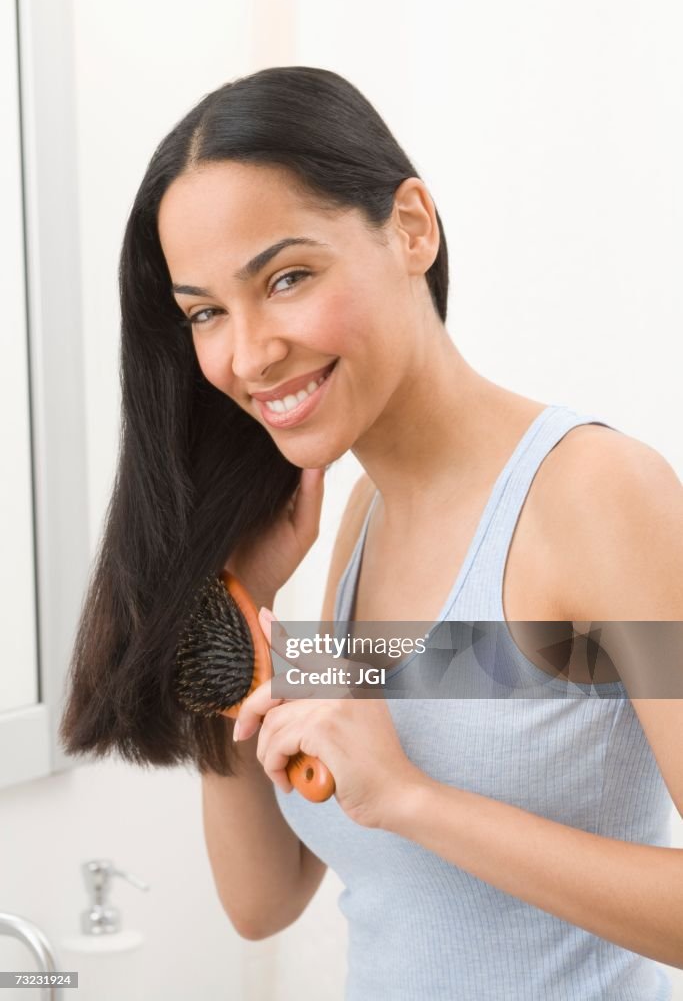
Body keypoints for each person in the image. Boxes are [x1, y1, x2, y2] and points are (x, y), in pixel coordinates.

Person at [59, 66, 683, 998]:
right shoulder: (361, 518)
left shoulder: (596, 494)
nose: (247, 353)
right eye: (205, 313)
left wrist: (415, 802)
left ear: (411, 228)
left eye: (288, 277)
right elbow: (261, 900)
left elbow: (394, 797)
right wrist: (233, 612)